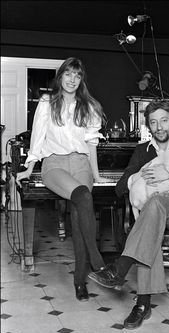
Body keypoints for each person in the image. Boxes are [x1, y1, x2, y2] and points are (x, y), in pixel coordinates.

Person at [88, 99, 169, 329]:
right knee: (152, 214)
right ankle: (142, 304)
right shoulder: (141, 151)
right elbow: (120, 187)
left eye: (164, 121)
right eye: (154, 122)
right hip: (152, 215)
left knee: (154, 204)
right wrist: (139, 175)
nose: (159, 127)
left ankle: (121, 267)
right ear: (148, 127)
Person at [16, 57, 111, 301]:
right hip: (55, 163)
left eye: (77, 76)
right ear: (60, 77)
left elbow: (91, 144)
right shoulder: (48, 102)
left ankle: (80, 282)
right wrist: (29, 167)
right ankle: (96, 260)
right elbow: (37, 137)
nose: (72, 80)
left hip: (81, 163)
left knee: (82, 209)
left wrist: (97, 174)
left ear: (81, 80)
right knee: (81, 196)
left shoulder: (88, 106)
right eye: (68, 74)